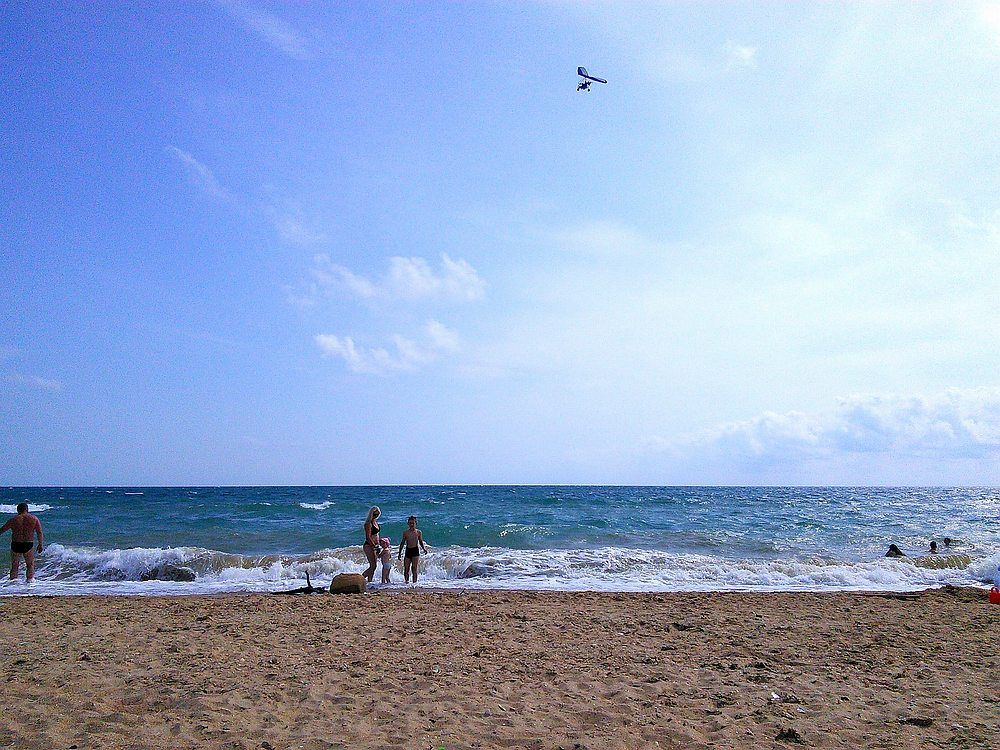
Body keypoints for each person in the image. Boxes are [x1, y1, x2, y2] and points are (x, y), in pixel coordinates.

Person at [1, 503, 44, 582]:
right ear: (27, 509)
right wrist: (40, 544)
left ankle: (12, 584)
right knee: (30, 565)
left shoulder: (13, 519)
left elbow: (2, 530)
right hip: (28, 544)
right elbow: (39, 532)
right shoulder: (34, 519)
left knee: (15, 565)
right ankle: (30, 583)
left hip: (16, 544)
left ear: (18, 510)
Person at [397, 515, 428, 584]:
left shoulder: (418, 532)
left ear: (416, 523)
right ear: (408, 524)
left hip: (415, 551)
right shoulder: (406, 532)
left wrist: (424, 549)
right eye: (410, 523)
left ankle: (414, 583)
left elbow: (420, 541)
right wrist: (399, 553)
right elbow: (402, 543)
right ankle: (406, 582)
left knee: (414, 568)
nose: (411, 525)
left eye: (413, 523)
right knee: (406, 569)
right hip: (408, 551)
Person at [361, 506, 381, 582]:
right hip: (369, 545)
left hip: (375, 545)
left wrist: (378, 545)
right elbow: (368, 537)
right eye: (374, 514)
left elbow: (377, 535)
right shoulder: (368, 524)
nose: (376, 516)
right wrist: (374, 546)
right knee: (373, 566)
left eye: (377, 514)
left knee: (373, 566)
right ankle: (361, 578)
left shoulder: (375, 522)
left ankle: (370, 581)